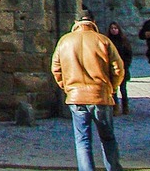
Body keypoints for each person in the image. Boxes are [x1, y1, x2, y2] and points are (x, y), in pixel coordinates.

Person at [52, 12, 125, 171]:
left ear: (76, 22)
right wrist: (111, 87)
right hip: (100, 96)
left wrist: (68, 88)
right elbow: (118, 69)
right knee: (108, 138)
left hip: (76, 97)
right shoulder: (103, 40)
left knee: (82, 141)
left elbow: (56, 69)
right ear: (93, 21)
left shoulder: (64, 41)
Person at [107, 23, 134, 114]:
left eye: (115, 28)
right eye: (112, 28)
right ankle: (115, 108)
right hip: (111, 69)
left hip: (123, 68)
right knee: (113, 90)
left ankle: (125, 107)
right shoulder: (107, 41)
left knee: (123, 89)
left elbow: (129, 54)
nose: (114, 30)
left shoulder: (124, 41)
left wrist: (125, 65)